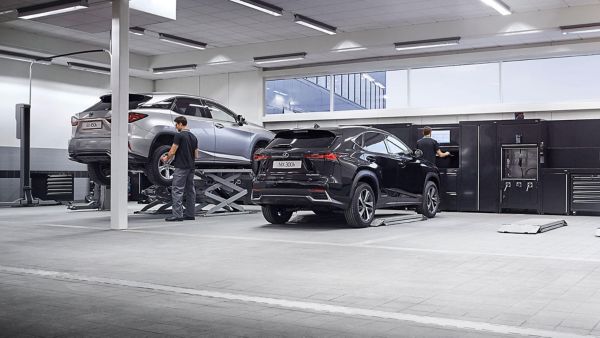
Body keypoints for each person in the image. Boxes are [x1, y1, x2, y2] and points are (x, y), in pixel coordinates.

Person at [161, 116, 199, 222]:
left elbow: (172, 151)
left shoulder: (179, 136)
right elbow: (196, 155)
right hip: (191, 167)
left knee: (177, 190)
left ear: (181, 124)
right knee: (190, 190)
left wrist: (166, 158)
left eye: (176, 124)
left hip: (181, 167)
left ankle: (178, 215)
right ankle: (190, 214)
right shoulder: (194, 137)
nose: (176, 126)